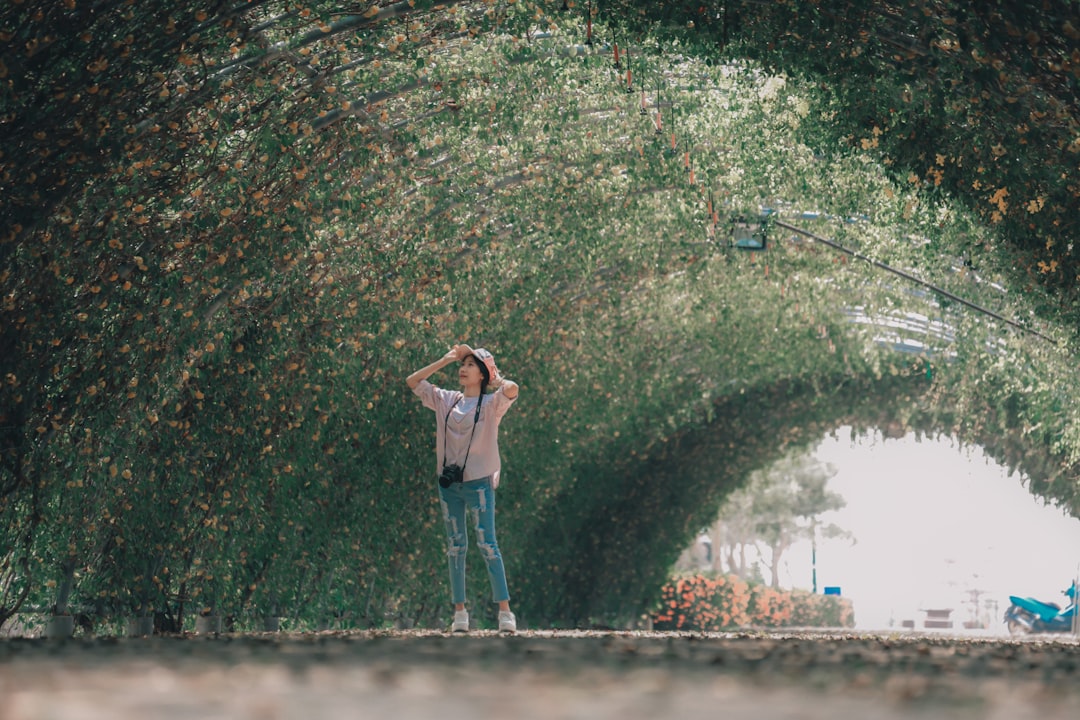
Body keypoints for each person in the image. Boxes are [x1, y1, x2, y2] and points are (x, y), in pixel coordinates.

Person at [406, 343, 520, 633]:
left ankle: (505, 612)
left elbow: (513, 389)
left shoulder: (492, 404)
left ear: (481, 373)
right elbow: (413, 381)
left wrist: (494, 375)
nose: (463, 368)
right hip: (449, 483)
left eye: (471, 365)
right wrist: (445, 359)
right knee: (455, 547)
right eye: (463, 363)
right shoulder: (446, 400)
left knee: (487, 544)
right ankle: (460, 613)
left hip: (479, 483)